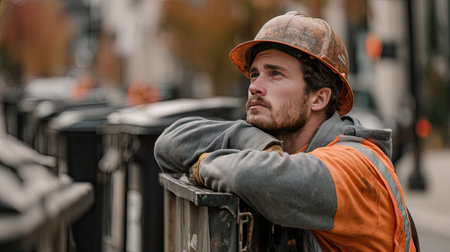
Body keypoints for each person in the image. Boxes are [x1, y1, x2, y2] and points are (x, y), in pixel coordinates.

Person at [154, 11, 418, 251]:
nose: (255, 87)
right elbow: (167, 144)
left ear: (319, 99)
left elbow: (252, 177)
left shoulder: (355, 167)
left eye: (275, 74)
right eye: (254, 74)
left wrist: (202, 165)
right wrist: (247, 137)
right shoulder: (289, 150)